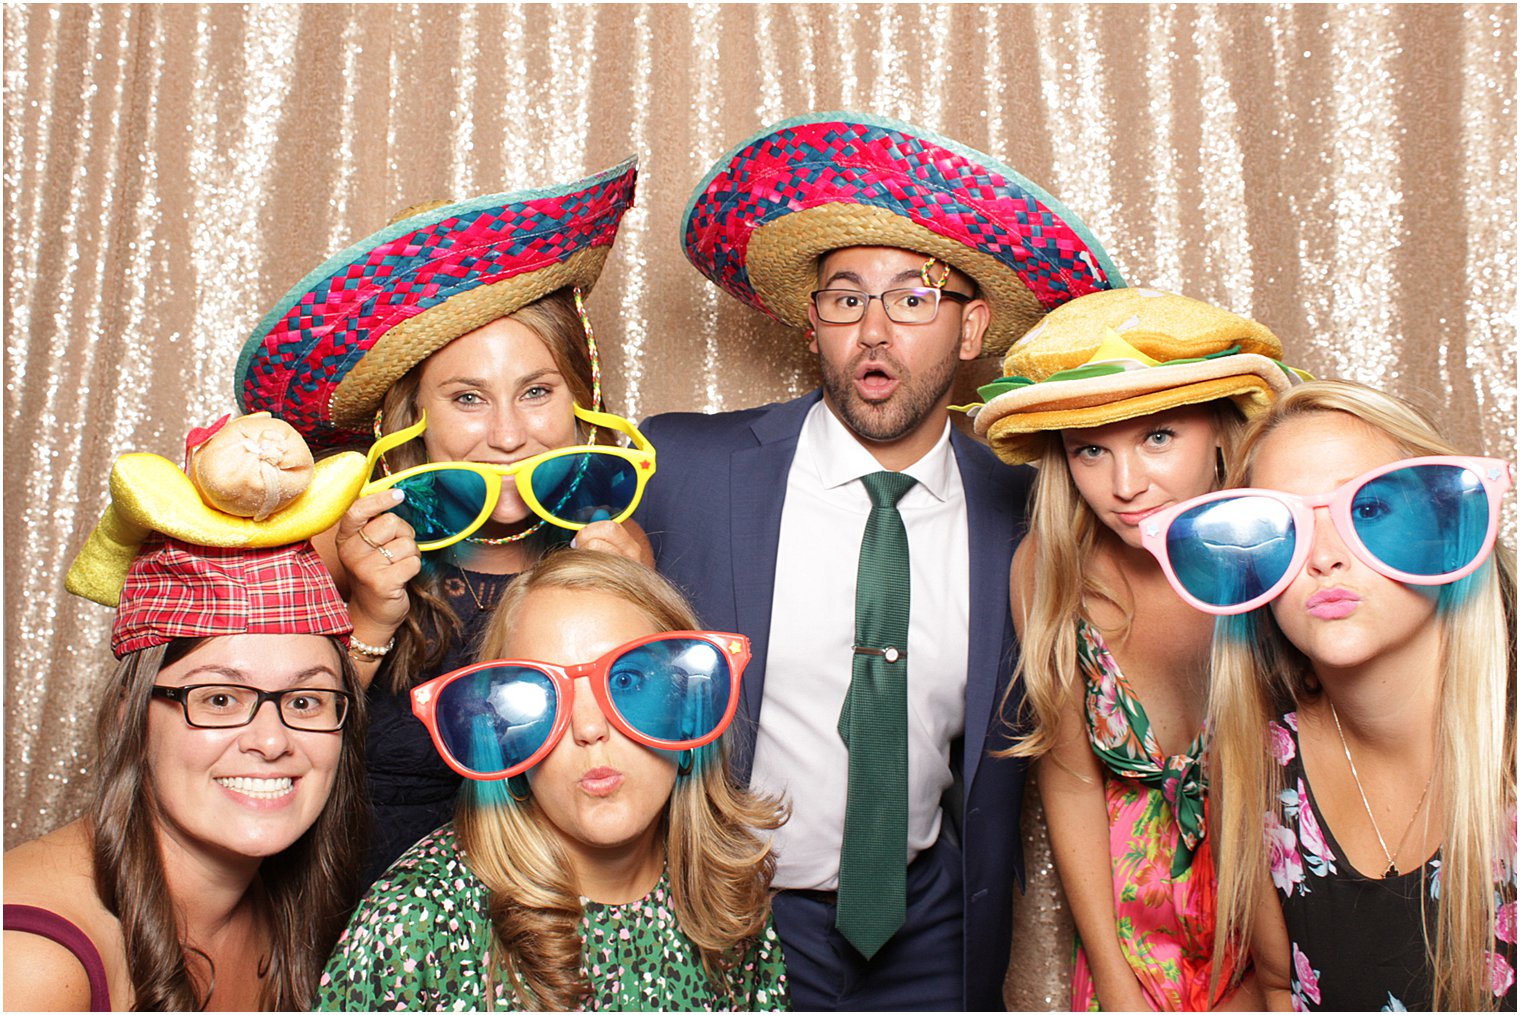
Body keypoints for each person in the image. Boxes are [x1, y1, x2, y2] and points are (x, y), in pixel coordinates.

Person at [636, 111, 1123, 1009]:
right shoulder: (682, 470)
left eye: (912, 296)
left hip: (934, 926)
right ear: (813, 321)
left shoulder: (1027, 506)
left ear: (972, 329)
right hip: (731, 916)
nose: (873, 328)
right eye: (846, 296)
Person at [235, 161, 656, 888]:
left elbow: (647, 765)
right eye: (467, 398)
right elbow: (268, 756)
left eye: (536, 391)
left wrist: (626, 605)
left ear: (580, 397)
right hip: (373, 933)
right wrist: (369, 616)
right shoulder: (338, 539)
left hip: (553, 937)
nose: (507, 434)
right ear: (412, 418)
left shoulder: (617, 539)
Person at [969, 287, 1307, 1010]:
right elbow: (1070, 781)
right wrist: (1116, 982)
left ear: (1222, 429)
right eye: (1092, 449)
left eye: (1158, 437)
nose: (1125, 486)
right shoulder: (1048, 570)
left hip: (1285, 912)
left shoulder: (1285, 553)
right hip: (1133, 938)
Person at [1141, 379, 1516, 1011]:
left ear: (1445, 521)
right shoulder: (1258, 766)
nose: (1323, 558)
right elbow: (1278, 989)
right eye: (1281, 527)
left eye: (1367, 509)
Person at [315, 549, 789, 1010]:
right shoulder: (417, 924)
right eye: (537, 694)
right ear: (503, 736)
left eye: (627, 682)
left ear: (687, 702)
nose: (588, 728)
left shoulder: (728, 899)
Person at [3, 420, 369, 1010]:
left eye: (305, 701)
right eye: (220, 699)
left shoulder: (291, 905)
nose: (272, 741)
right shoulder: (30, 963)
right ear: (131, 717)